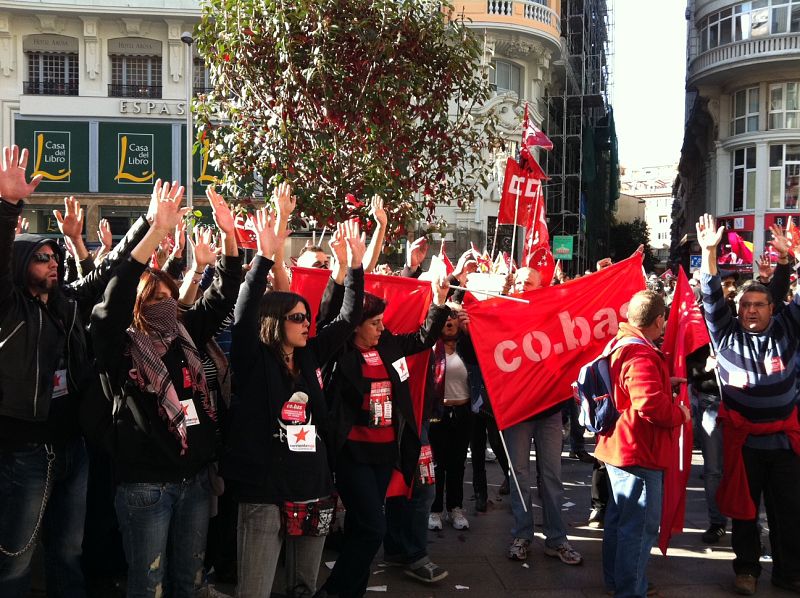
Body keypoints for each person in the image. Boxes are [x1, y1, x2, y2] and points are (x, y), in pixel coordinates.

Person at [0, 146, 152, 597]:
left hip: (72, 447)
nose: (53, 263)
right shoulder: (9, 309)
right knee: (16, 557)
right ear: (18, 266)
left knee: (68, 550)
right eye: (41, 258)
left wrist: (148, 223)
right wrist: (8, 207)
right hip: (23, 450)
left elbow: (109, 268)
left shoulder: (67, 302)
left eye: (54, 257)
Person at [89, 179, 242, 598]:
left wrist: (230, 238)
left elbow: (224, 293)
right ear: (137, 305)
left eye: (169, 296)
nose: (164, 303)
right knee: (148, 584)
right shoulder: (117, 345)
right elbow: (114, 296)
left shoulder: (184, 334)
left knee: (188, 581)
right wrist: (155, 233)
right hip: (144, 487)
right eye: (153, 297)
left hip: (193, 482)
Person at [222, 195, 365, 598]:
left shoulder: (311, 356)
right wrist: (264, 259)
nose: (307, 325)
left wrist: (354, 267)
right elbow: (245, 311)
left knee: (303, 585)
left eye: (307, 317)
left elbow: (347, 317)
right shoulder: (253, 360)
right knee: (255, 589)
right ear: (276, 323)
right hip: (264, 491)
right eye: (298, 318)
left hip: (313, 488)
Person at [317, 276, 451, 598]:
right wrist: (345, 271)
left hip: (384, 455)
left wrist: (439, 302)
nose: (380, 328)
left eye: (381, 323)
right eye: (374, 323)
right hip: (352, 456)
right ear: (356, 325)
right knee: (373, 529)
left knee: (360, 529)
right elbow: (329, 317)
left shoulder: (388, 343)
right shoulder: (340, 351)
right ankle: (332, 592)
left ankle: (352, 592)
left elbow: (422, 338)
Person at [696, 214, 800, 596]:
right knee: (743, 512)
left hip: (785, 443)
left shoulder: (789, 327)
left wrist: (791, 258)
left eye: (759, 304)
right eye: (745, 305)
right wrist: (709, 253)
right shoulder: (724, 334)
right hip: (742, 443)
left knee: (788, 512)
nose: (752, 310)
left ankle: (789, 572)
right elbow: (709, 294)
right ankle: (746, 570)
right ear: (737, 309)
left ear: (773, 308)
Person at [595, 289, 689, 598]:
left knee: (619, 521)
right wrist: (680, 413)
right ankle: (630, 590)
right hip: (639, 452)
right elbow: (649, 404)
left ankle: (618, 583)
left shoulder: (623, 342)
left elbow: (635, 391)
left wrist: (664, 383)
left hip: (619, 447)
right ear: (660, 320)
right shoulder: (641, 353)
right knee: (638, 529)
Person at [502, 265, 583, 566]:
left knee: (552, 477)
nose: (524, 286)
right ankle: (522, 535)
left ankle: (556, 539)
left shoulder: (553, 316)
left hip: (549, 410)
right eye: (520, 282)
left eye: (530, 282)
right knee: (519, 475)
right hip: (518, 411)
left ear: (542, 287)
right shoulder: (504, 314)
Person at [428, 305, 473, 531]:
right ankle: (435, 510)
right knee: (437, 464)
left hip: (463, 413)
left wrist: (469, 331)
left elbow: (480, 362)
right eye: (444, 317)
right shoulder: (430, 347)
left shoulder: (467, 346)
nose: (449, 321)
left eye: (453, 316)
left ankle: (456, 508)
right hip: (438, 413)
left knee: (457, 464)